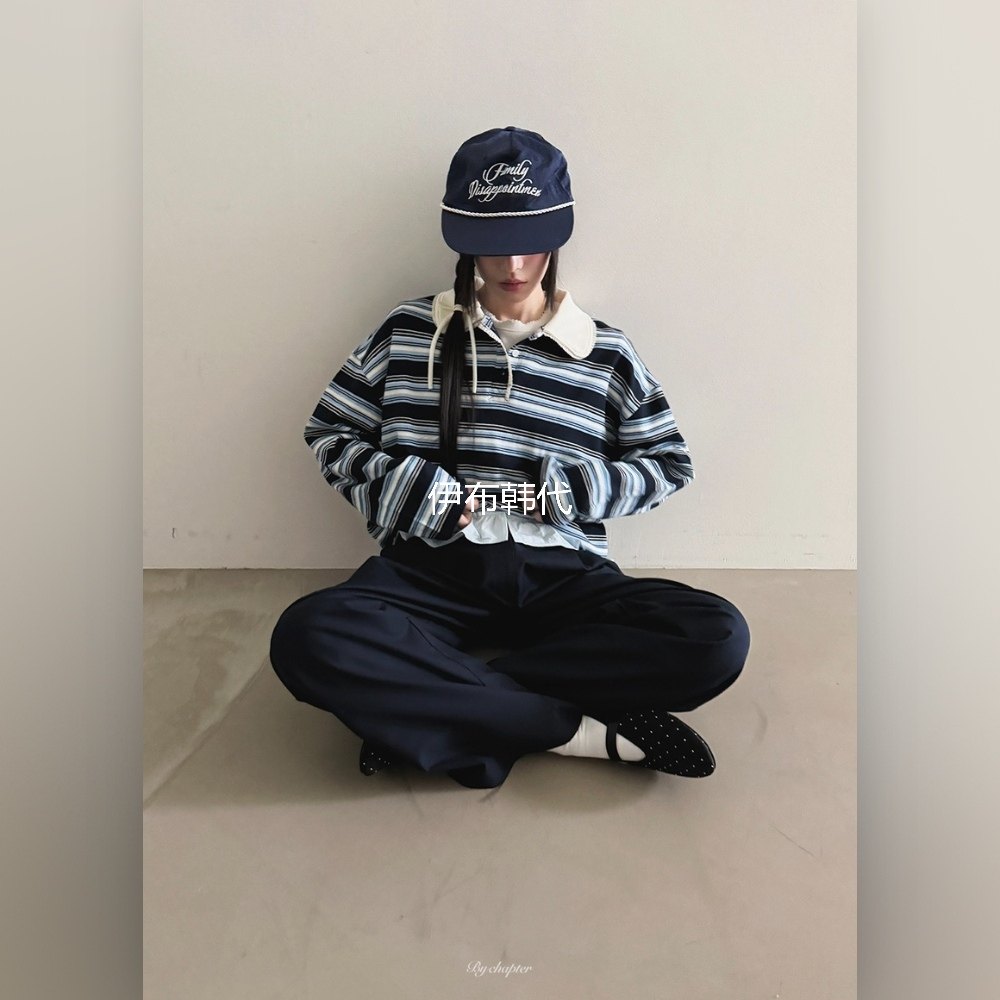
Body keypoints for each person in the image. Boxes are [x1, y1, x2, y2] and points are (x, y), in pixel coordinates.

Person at [268, 126, 751, 790]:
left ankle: (434, 706)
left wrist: (572, 492)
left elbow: (667, 463)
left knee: (717, 636)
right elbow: (331, 432)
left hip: (563, 571)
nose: (515, 265)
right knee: (308, 635)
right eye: (494, 245)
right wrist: (408, 487)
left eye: (531, 242)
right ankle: (575, 732)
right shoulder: (407, 332)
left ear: (557, 236)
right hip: (431, 569)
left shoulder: (604, 353)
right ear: (464, 240)